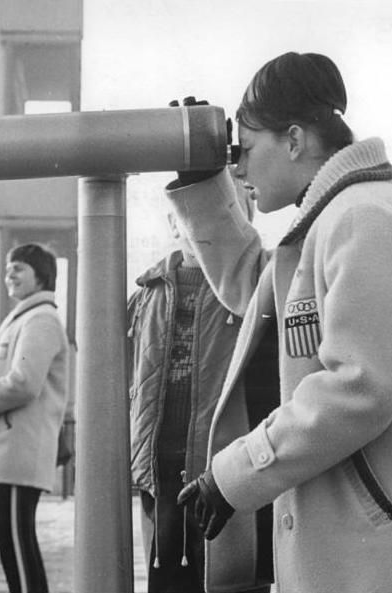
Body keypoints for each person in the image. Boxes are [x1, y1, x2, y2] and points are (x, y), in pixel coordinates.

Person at [170, 52, 392, 593]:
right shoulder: (332, 219)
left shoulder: (364, 218)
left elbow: (361, 386)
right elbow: (254, 290)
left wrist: (235, 473)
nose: (239, 168)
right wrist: (203, 184)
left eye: (247, 148)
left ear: (294, 140)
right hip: (378, 543)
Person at [127, 192, 265, 593]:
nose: (207, 230)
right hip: (161, 463)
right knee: (167, 573)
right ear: (173, 225)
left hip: (225, 461)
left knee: (233, 574)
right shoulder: (147, 293)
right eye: (193, 218)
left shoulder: (250, 291)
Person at [0, 243, 69, 593]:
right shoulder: (30, 317)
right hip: (11, 447)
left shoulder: (40, 319)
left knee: (16, 539)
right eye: (8, 267)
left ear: (41, 276)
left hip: (16, 448)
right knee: (13, 539)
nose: (9, 274)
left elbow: (24, 383)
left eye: (19, 268)